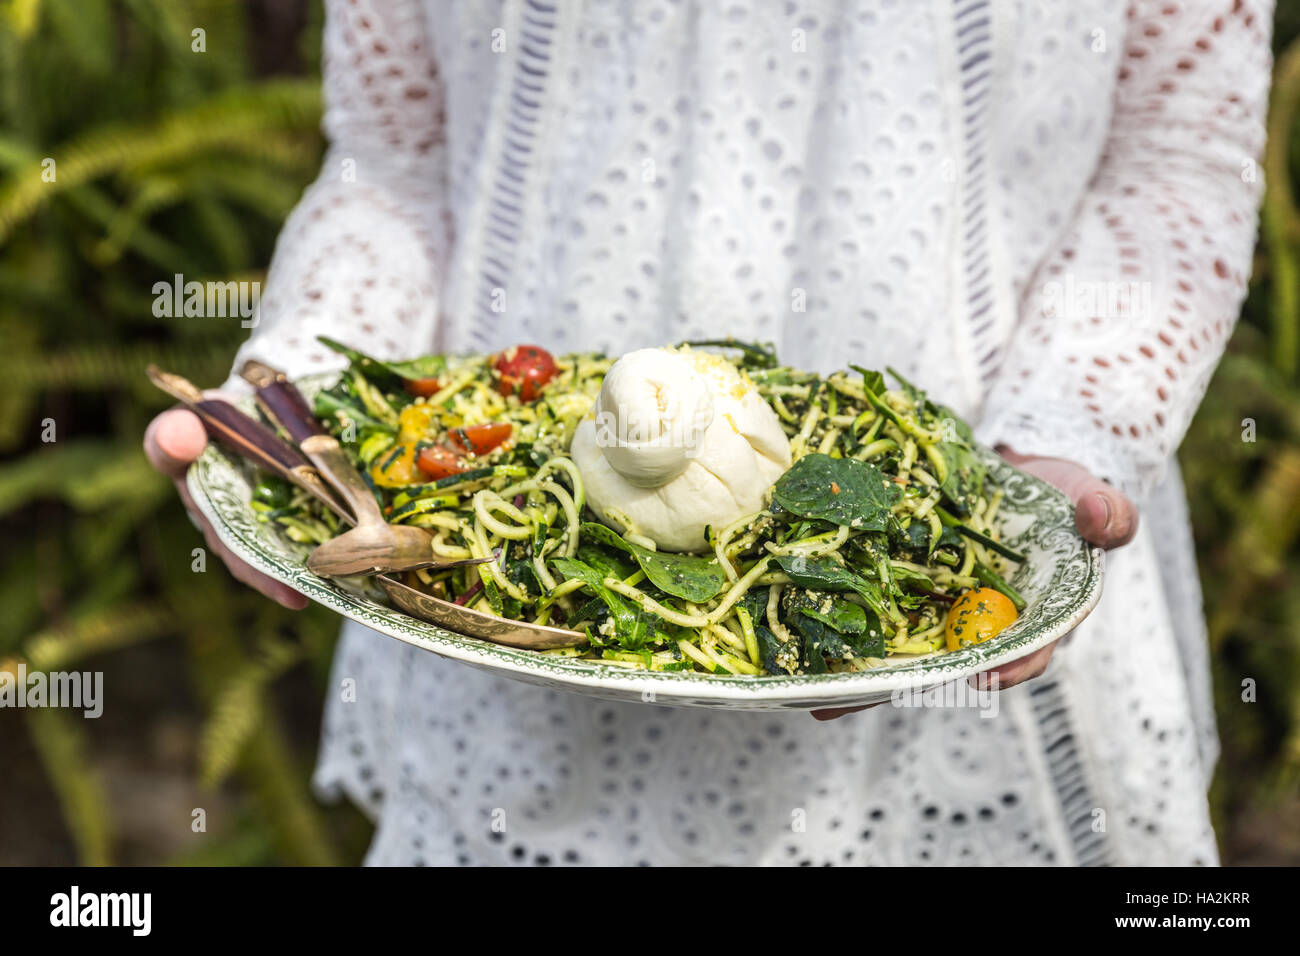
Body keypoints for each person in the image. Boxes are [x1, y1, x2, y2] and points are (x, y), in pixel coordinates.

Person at [145, 0, 1271, 865]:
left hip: (948, 578)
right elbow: (397, 159)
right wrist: (305, 409)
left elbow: (1173, 159)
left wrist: (1059, 438)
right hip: (504, 595)